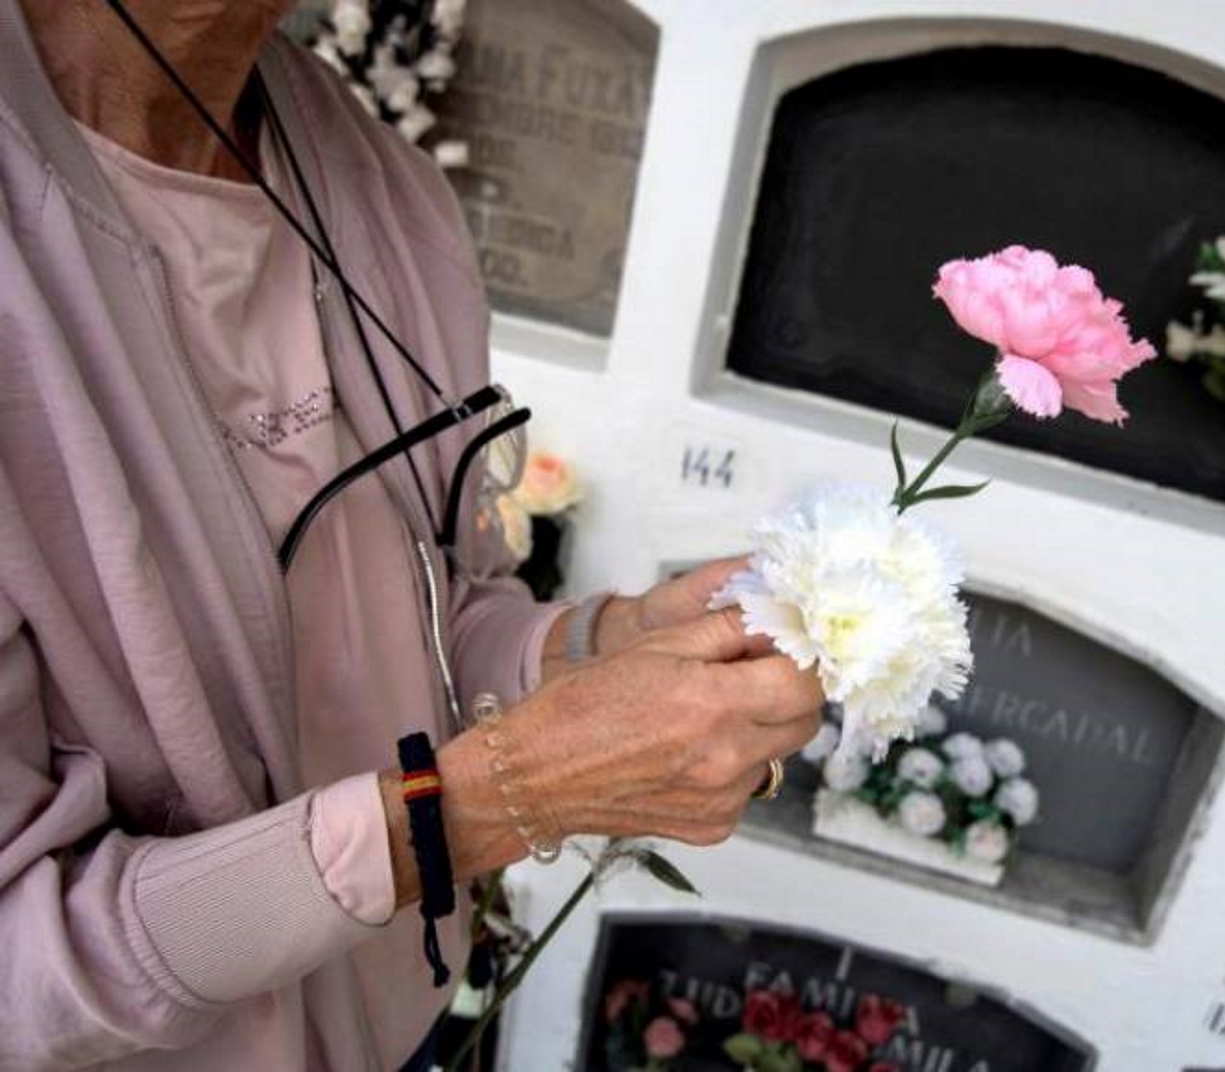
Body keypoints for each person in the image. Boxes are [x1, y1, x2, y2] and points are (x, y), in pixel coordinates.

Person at [0, 1, 824, 1068]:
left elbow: (421, 598)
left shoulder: (362, 170)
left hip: (397, 1017)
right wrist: (475, 810)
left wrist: (595, 646)